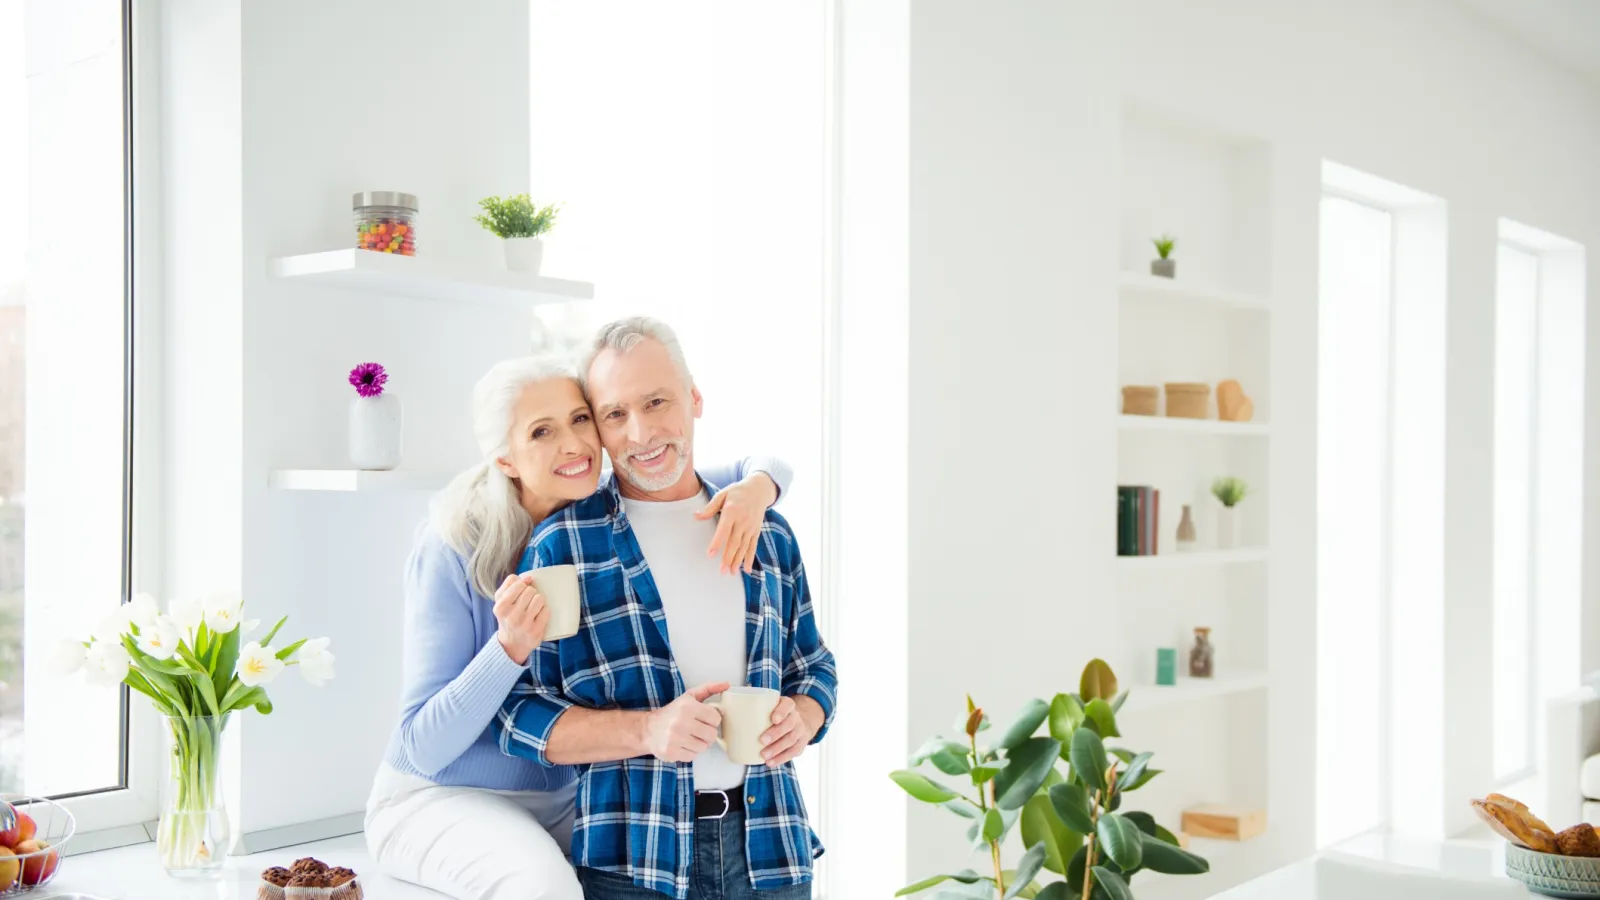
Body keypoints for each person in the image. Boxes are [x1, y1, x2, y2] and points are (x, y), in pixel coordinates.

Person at [364, 355, 795, 900]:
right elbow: (421, 748)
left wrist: (761, 489)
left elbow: (758, 465)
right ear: (505, 458)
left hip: (566, 794)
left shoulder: (600, 502)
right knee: (546, 889)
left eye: (580, 419)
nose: (574, 445)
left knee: (658, 865)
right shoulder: (454, 543)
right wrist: (509, 648)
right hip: (441, 797)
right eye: (542, 432)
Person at [495, 318, 837, 900]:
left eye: (657, 402)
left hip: (772, 851)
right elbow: (519, 715)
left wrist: (805, 716)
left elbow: (815, 668)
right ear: (599, 431)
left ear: (694, 398)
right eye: (615, 414)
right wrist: (650, 730)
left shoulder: (767, 534)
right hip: (634, 864)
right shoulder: (564, 549)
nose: (641, 432)